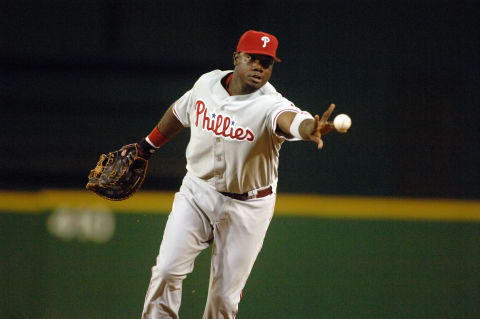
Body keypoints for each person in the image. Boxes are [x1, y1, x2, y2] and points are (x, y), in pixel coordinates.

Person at [137, 30, 337, 319]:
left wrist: (310, 129)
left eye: (266, 63)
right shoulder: (207, 83)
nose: (258, 67)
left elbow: (293, 120)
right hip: (198, 192)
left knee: (223, 300)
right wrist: (146, 146)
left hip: (249, 205)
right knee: (167, 270)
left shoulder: (270, 104)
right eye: (252, 59)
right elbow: (180, 113)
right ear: (236, 58)